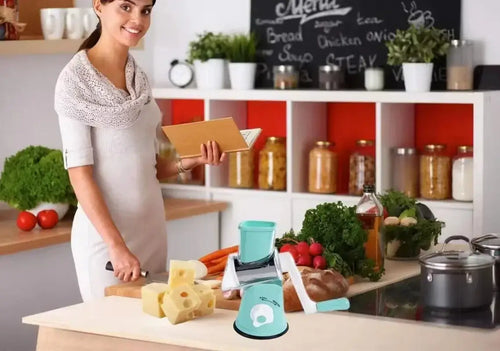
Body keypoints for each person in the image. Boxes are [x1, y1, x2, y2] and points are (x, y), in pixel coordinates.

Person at [54, 0, 226, 302]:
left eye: (146, 10)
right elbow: (80, 176)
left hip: (151, 232)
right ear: (98, 6)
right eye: (126, 7)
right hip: (106, 243)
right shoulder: (74, 82)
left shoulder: (139, 79)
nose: (138, 19)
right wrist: (116, 245)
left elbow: (150, 165)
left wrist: (193, 160)